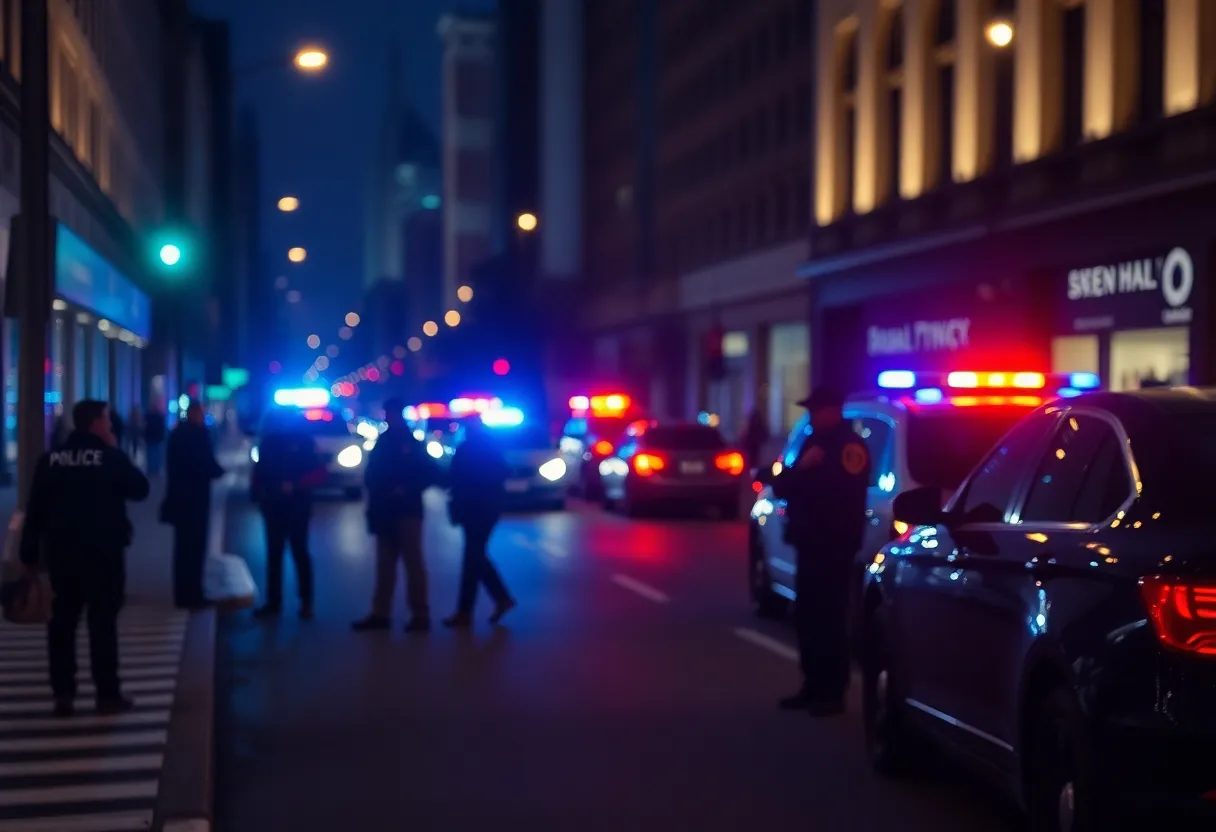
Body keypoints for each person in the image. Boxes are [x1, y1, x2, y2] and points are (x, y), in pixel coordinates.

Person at [20, 399, 151, 717]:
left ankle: (63, 693)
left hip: (62, 556)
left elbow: (35, 511)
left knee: (61, 626)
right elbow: (140, 488)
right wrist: (117, 450)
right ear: (95, 424)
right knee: (102, 625)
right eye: (106, 420)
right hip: (104, 555)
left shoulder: (51, 461)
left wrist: (29, 555)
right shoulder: (109, 457)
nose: (109, 426)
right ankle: (107, 693)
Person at [771, 388, 870, 716]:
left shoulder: (849, 448)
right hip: (809, 543)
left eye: (816, 410)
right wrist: (802, 471)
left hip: (833, 546)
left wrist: (802, 477)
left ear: (833, 410)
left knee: (830, 618)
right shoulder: (812, 443)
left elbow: (835, 492)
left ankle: (832, 691)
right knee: (808, 616)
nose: (811, 416)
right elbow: (782, 485)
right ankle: (812, 685)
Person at [353, 397, 441, 633]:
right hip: (388, 510)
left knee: (410, 563)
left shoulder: (408, 443)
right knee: (387, 565)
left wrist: (405, 489)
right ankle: (383, 613)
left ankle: (418, 614)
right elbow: (372, 475)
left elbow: (429, 472)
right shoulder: (389, 441)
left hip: (405, 511)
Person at [442, 416, 516, 628]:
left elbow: (453, 478)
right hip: (487, 508)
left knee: (473, 557)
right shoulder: (492, 449)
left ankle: (477, 607)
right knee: (474, 556)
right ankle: (492, 602)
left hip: (475, 509)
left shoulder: (467, 449)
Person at [250, 422, 323, 619]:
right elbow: (259, 470)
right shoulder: (271, 442)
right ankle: (277, 602)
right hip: (275, 504)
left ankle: (302, 602)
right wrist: (257, 494)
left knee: (296, 552)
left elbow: (318, 472)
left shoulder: (301, 442)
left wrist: (296, 485)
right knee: (277, 554)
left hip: (296, 504)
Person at [162, 401, 225, 609]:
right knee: (195, 549)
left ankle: (182, 593)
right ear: (195, 414)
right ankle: (193, 594)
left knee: (182, 549)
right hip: (195, 500)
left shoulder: (177, 435)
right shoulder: (197, 436)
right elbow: (204, 464)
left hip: (179, 500)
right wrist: (219, 471)